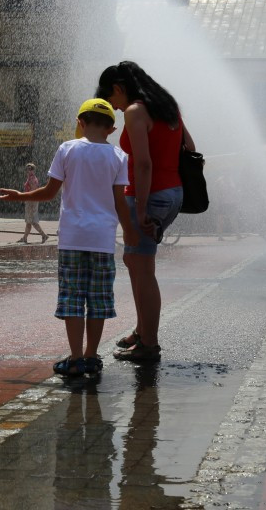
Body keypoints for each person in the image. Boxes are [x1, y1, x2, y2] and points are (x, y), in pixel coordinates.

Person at [0, 99, 138, 377]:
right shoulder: (119, 157)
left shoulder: (67, 149)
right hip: (102, 241)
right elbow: (120, 203)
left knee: (73, 298)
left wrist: (19, 196)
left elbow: (49, 193)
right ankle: (90, 357)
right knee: (98, 301)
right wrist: (132, 236)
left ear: (80, 122)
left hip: (73, 239)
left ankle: (74, 359)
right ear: (111, 128)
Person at [95, 60, 196, 363]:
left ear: (119, 88)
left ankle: (149, 345)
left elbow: (142, 163)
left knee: (143, 270)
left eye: (110, 98)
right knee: (134, 260)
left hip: (150, 196)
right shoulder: (167, 108)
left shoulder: (136, 111)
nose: (112, 107)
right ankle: (142, 331)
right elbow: (190, 146)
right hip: (173, 193)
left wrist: (140, 210)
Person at [17, 163, 49, 244]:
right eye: (27, 168)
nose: (28, 170)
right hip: (30, 200)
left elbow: (33, 191)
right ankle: (25, 238)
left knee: (32, 221)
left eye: (30, 168)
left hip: (31, 201)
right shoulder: (30, 178)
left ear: (33, 170)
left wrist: (27, 198)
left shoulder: (32, 179)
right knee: (29, 221)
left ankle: (43, 235)